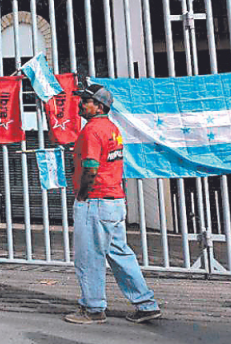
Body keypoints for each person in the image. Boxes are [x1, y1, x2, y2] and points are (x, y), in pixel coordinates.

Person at [64, 84, 161, 325]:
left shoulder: (92, 130)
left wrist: (83, 195)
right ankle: (145, 304)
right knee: (119, 253)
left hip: (95, 201)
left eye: (85, 100)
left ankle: (93, 308)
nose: (80, 104)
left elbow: (91, 168)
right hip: (114, 201)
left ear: (99, 106)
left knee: (88, 257)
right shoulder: (111, 128)